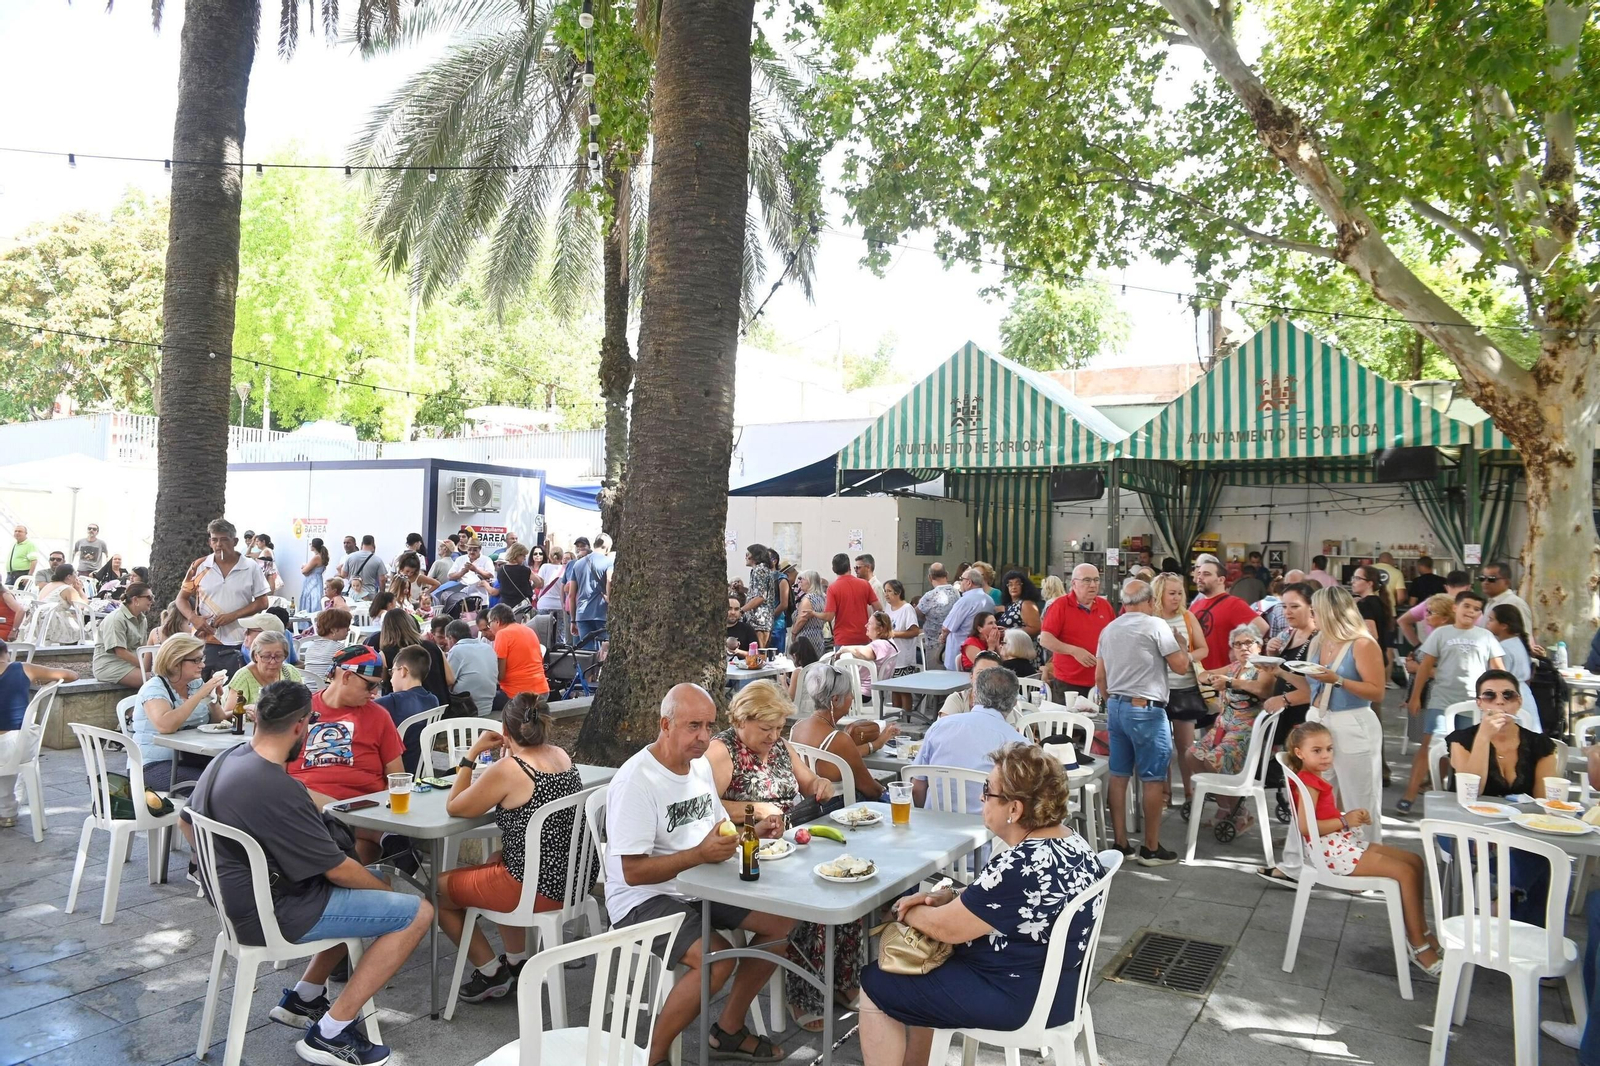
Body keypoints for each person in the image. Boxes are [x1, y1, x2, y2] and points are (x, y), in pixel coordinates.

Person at [184, 680, 430, 1066]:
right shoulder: (277, 787)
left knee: (352, 901)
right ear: (302, 725)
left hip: (236, 907)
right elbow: (340, 872)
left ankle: (306, 997)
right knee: (418, 912)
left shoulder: (227, 759)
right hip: (273, 916)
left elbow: (187, 823)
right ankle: (331, 1032)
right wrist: (383, 889)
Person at [857, 743, 1105, 1066]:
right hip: (1064, 987)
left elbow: (945, 929)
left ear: (1014, 809)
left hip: (1019, 996)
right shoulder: (1074, 843)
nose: (980, 798)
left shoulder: (1019, 866)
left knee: (878, 982)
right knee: (921, 970)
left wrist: (910, 910)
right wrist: (947, 897)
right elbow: (999, 902)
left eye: (988, 790)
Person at [603, 683, 796, 1065]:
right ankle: (653, 1057)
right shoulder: (637, 780)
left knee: (783, 922)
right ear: (665, 724)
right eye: (693, 726)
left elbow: (720, 829)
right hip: (641, 899)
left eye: (709, 726)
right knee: (717, 960)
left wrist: (752, 833)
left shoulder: (700, 767)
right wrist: (698, 854)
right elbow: (632, 871)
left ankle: (727, 1030)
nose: (704, 737)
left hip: (700, 881)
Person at [704, 682, 843, 1031]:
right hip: (749, 853)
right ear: (741, 720)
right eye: (766, 728)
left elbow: (809, 781)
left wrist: (819, 786)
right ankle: (803, 996)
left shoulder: (780, 746)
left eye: (779, 728)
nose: (773, 736)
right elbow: (707, 807)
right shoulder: (723, 750)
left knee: (840, 887)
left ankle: (839, 981)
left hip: (789, 845)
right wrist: (753, 809)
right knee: (810, 903)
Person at [433, 692, 585, 1002]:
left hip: (536, 887)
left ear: (506, 729)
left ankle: (491, 972)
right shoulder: (560, 755)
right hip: (571, 881)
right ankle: (517, 962)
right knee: (494, 858)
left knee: (436, 890)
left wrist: (472, 752)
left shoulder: (511, 769)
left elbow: (455, 806)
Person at [1282, 721, 1441, 975]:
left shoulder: (1314, 777)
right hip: (1332, 853)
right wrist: (1345, 820)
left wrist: (1349, 816)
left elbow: (1321, 816)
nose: (1325, 755)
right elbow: (1305, 827)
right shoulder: (1309, 782)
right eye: (1317, 750)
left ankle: (1421, 931)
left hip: (1340, 843)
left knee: (1414, 860)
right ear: (1299, 753)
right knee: (1405, 872)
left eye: (1329, 749)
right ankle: (1418, 945)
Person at [1275, 586, 1387, 852]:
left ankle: (1368, 860)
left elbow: (1377, 691)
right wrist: (1278, 671)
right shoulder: (1320, 639)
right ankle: (1296, 861)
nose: (1313, 615)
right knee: (1310, 794)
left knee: (1359, 796)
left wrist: (1338, 680)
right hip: (1318, 718)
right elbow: (1310, 683)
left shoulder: (1362, 643)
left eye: (1316, 610)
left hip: (1353, 721)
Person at [1446, 669, 1560, 925]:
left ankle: (1505, 903)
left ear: (1518, 702)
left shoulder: (1541, 745)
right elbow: (1471, 794)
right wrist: (1484, 737)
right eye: (1489, 696)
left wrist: (1507, 834)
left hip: (1521, 829)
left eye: (1508, 695)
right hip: (1466, 825)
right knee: (1538, 863)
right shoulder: (1461, 740)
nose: (1499, 701)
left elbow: (1543, 805)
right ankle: (1518, 918)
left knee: (1541, 851)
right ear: (1479, 703)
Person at [1096, 577, 1191, 866]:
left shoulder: (1109, 628)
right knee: (1152, 778)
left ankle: (1121, 842)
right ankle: (1150, 847)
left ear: (1124, 603)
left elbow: (1100, 677)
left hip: (1116, 706)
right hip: (1146, 708)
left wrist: (1112, 699)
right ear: (1150, 602)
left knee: (1119, 774)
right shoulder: (1156, 625)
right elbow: (1180, 666)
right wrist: (1182, 645)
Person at [1399, 590, 1506, 811]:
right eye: (1467, 606)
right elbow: (1425, 667)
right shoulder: (1440, 634)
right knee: (1430, 747)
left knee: (1463, 750)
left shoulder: (1486, 637)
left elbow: (1498, 670)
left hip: (1472, 704)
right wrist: (1415, 696)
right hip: (1441, 700)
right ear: (1455, 608)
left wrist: (1500, 699)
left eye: (1477, 609)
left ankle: (1454, 796)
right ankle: (1410, 794)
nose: (1471, 612)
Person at [289, 646, 405, 824]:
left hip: (362, 814)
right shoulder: (298, 711)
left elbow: (397, 777)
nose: (375, 692)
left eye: (378, 685)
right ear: (347, 676)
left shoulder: (380, 716)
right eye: (370, 685)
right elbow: (275, 770)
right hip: (304, 809)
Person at [1186, 626, 1277, 828]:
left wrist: (1230, 683)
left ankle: (1239, 812)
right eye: (1238, 644)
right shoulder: (1234, 666)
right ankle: (1226, 807)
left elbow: (1262, 689)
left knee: (1213, 761)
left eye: (1248, 643)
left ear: (1259, 646)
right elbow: (1204, 675)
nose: (1243, 647)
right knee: (1191, 755)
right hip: (1222, 728)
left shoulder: (1264, 668)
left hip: (1245, 732)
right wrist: (1212, 678)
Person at [911, 666, 1029, 811]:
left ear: (975, 694)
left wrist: (924, 819)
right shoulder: (1018, 743)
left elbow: (918, 788)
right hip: (988, 829)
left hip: (933, 824)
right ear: (1014, 703)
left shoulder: (940, 726)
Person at [131, 634, 231, 790]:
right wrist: (200, 694)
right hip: (153, 765)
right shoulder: (154, 688)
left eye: (202, 659)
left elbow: (218, 721)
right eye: (196, 660)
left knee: (235, 776)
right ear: (175, 662)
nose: (202, 665)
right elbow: (166, 726)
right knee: (211, 787)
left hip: (191, 758)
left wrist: (212, 698)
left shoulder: (195, 683)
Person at [790, 662, 898, 802]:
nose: (852, 697)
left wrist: (875, 744)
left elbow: (841, 755)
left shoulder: (796, 728)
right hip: (838, 809)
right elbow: (870, 789)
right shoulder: (838, 739)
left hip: (807, 806)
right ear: (835, 699)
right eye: (849, 693)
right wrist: (885, 791)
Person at [178, 518, 270, 677]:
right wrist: (194, 618)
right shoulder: (199, 566)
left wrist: (233, 615)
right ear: (209, 542)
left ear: (234, 541)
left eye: (224, 539)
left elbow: (263, 602)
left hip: (239, 641)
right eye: (214, 540)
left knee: (234, 692)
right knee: (200, 691)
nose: (219, 544)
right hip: (204, 640)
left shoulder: (250, 566)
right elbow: (181, 599)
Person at [0, 639, 77, 826]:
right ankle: (7, 811)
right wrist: (39, 677)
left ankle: (7, 808)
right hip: (19, 746)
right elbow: (71, 675)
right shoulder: (23, 668)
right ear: (6, 653)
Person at [1151, 571, 1211, 809]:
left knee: (1186, 747)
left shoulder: (1187, 617)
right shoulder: (1151, 619)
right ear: (1159, 595)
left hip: (1185, 688)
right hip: (1158, 690)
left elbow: (1203, 649)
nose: (1176, 598)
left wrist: (1184, 656)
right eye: (1171, 593)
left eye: (1179, 593)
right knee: (1162, 746)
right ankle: (1165, 792)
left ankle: (1189, 792)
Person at [1038, 563, 1113, 703]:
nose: (1093, 585)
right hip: (1068, 682)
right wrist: (1074, 651)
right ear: (1073, 583)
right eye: (1087, 580)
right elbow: (1045, 639)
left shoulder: (1105, 606)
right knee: (1069, 724)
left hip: (1100, 681)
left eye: (1096, 580)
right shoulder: (1060, 606)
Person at [1190, 555, 1267, 671]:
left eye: (1206, 574)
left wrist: (1240, 648)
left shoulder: (1234, 604)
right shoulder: (1195, 606)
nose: (1200, 578)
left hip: (1223, 674)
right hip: (1198, 673)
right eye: (1199, 573)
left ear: (1221, 580)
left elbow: (1262, 627)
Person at [374, 645, 440, 771]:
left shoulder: (392, 702)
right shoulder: (433, 700)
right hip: (422, 768)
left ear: (403, 671)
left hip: (397, 769)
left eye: (392, 672)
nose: (391, 679)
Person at [377, 608, 453, 709]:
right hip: (439, 711)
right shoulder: (433, 647)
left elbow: (380, 682)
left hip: (405, 714)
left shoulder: (385, 654)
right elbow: (450, 680)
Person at [1486, 603, 1541, 726]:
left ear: (1504, 626)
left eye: (1491, 619)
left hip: (1510, 695)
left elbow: (1500, 676)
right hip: (1524, 693)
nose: (1487, 623)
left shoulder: (1502, 648)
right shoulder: (1518, 643)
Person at [91, 582, 155, 688]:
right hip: (111, 666)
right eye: (149, 597)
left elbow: (142, 648)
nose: (152, 601)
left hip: (132, 664)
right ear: (135, 600)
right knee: (157, 680)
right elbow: (120, 652)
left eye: (152, 597)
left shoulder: (142, 619)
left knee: (165, 675)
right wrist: (144, 666)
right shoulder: (116, 619)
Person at [831, 611, 902, 700]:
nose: (866, 626)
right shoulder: (889, 643)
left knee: (827, 690)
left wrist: (844, 649)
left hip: (863, 691)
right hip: (873, 690)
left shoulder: (880, 645)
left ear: (880, 629)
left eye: (870, 623)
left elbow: (859, 652)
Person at [487, 604, 548, 706]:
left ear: (497, 621)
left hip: (517, 696)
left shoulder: (502, 634)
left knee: (480, 701)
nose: (490, 628)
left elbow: (500, 676)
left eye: (489, 624)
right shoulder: (529, 630)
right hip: (542, 692)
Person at [1351, 564, 1399, 688]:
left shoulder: (1366, 604)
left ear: (1369, 583)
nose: (1353, 581)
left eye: (1357, 578)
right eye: (1353, 578)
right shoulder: (1377, 601)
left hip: (1368, 659)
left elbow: (1372, 634)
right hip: (1378, 657)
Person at [820, 551, 880, 648]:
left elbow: (829, 616)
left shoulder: (832, 588)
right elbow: (878, 608)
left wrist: (813, 613)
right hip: (863, 636)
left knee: (842, 663)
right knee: (864, 663)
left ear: (833, 569)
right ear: (849, 567)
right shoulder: (864, 584)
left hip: (843, 639)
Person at [1398, 570, 1472, 647]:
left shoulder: (1431, 602)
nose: (1428, 616)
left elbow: (1402, 621)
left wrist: (1418, 647)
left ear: (1446, 587)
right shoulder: (1472, 608)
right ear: (1468, 588)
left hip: (1432, 651)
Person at [442, 619, 498, 716]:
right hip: (488, 706)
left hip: (466, 709)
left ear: (451, 638)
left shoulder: (456, 650)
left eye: (447, 639)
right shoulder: (487, 648)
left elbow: (449, 681)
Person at [564, 534, 613, 643]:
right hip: (602, 613)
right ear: (607, 547)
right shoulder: (608, 562)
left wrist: (572, 621)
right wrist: (609, 598)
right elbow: (609, 581)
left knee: (586, 655)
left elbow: (571, 595)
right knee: (604, 652)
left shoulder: (577, 564)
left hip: (582, 614)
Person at [915, 563, 961, 668]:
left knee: (935, 678)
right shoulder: (956, 592)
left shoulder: (930, 596)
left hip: (934, 644)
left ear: (930, 577)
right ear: (947, 575)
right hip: (953, 643)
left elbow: (916, 614)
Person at [33, 564, 89, 644]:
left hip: (38, 623)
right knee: (81, 630)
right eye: (75, 573)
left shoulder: (49, 585)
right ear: (69, 576)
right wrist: (80, 590)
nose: (77, 576)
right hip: (53, 625)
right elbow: (82, 606)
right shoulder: (67, 589)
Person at [300, 609, 351, 695]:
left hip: (308, 693)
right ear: (334, 630)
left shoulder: (311, 647)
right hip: (328, 693)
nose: (349, 629)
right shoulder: (339, 647)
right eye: (346, 626)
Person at [937, 652, 1004, 718]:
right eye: (980, 673)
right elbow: (943, 727)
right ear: (971, 677)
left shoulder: (1005, 704)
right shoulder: (957, 700)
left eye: (992, 675)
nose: (984, 679)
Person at [1481, 560, 1535, 635]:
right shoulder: (1490, 603)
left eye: (1491, 579)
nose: (1485, 582)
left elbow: (1525, 635)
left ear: (1507, 582)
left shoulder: (1515, 603)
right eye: (1482, 578)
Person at [741, 544, 776, 647]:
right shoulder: (763, 570)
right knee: (758, 654)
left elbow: (760, 597)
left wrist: (741, 610)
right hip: (761, 620)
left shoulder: (759, 570)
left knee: (759, 654)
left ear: (755, 556)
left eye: (748, 554)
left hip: (759, 620)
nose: (746, 557)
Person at [532, 543, 566, 638]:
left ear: (550, 556)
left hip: (544, 603)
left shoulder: (545, 567)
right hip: (559, 605)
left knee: (542, 633)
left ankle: (545, 651)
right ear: (562, 557)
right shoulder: (565, 569)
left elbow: (540, 584)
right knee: (559, 634)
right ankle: (559, 652)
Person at [997, 570, 1043, 639]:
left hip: (1023, 647)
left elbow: (1035, 629)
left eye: (1017, 584)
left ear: (1023, 586)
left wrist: (1009, 632)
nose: (1014, 587)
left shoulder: (1026, 604)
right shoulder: (1010, 605)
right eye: (1010, 584)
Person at [341, 535, 388, 601]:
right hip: (370, 593)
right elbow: (382, 579)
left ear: (362, 544)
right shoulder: (377, 560)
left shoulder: (350, 557)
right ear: (373, 544)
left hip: (354, 592)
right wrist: (382, 593)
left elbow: (343, 574)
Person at [492, 543, 536, 613]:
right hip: (521, 606)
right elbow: (539, 582)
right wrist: (531, 587)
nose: (524, 558)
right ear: (517, 555)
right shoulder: (525, 570)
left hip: (505, 606)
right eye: (523, 556)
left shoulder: (501, 570)